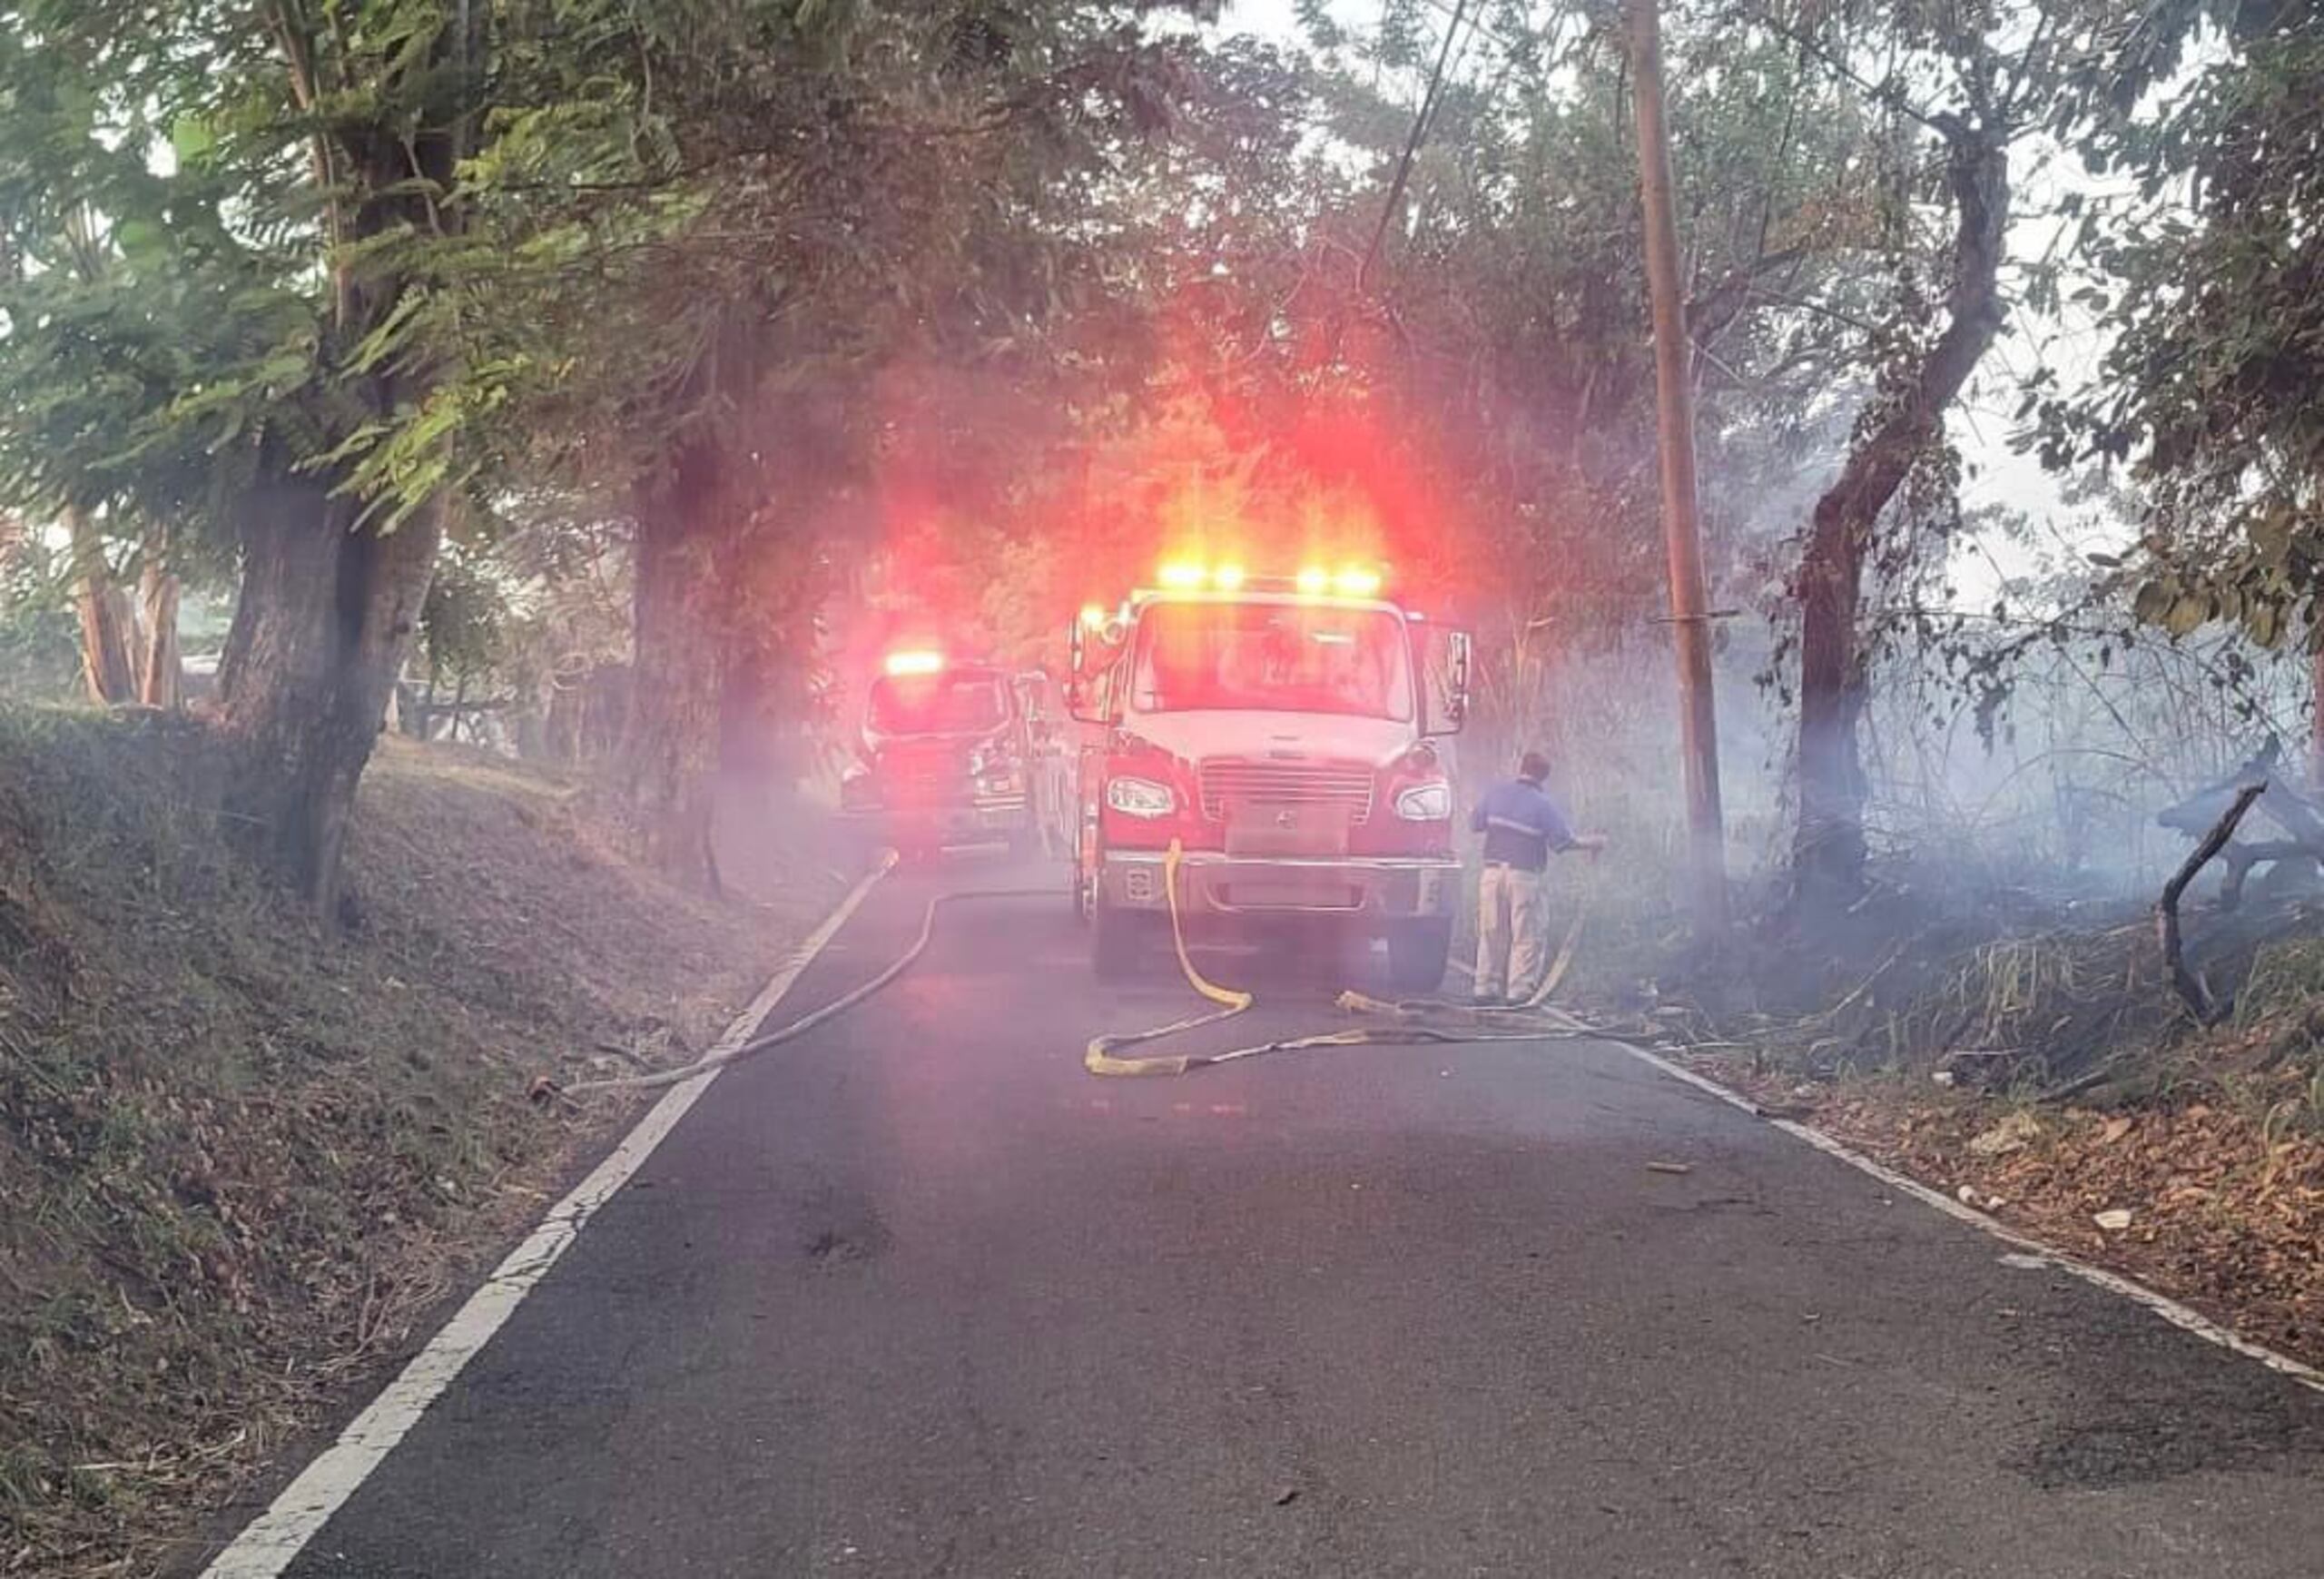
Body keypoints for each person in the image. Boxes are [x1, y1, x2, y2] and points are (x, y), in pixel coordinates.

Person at [1469, 751, 1603, 1004]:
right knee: (1527, 934)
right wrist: (1593, 843)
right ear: (1544, 777)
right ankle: (1518, 991)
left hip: (1491, 872)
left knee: (1491, 930)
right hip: (1524, 874)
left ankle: (1485, 987)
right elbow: (1563, 842)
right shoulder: (1543, 804)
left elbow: (1475, 823)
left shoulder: (1496, 792)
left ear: (1521, 768)